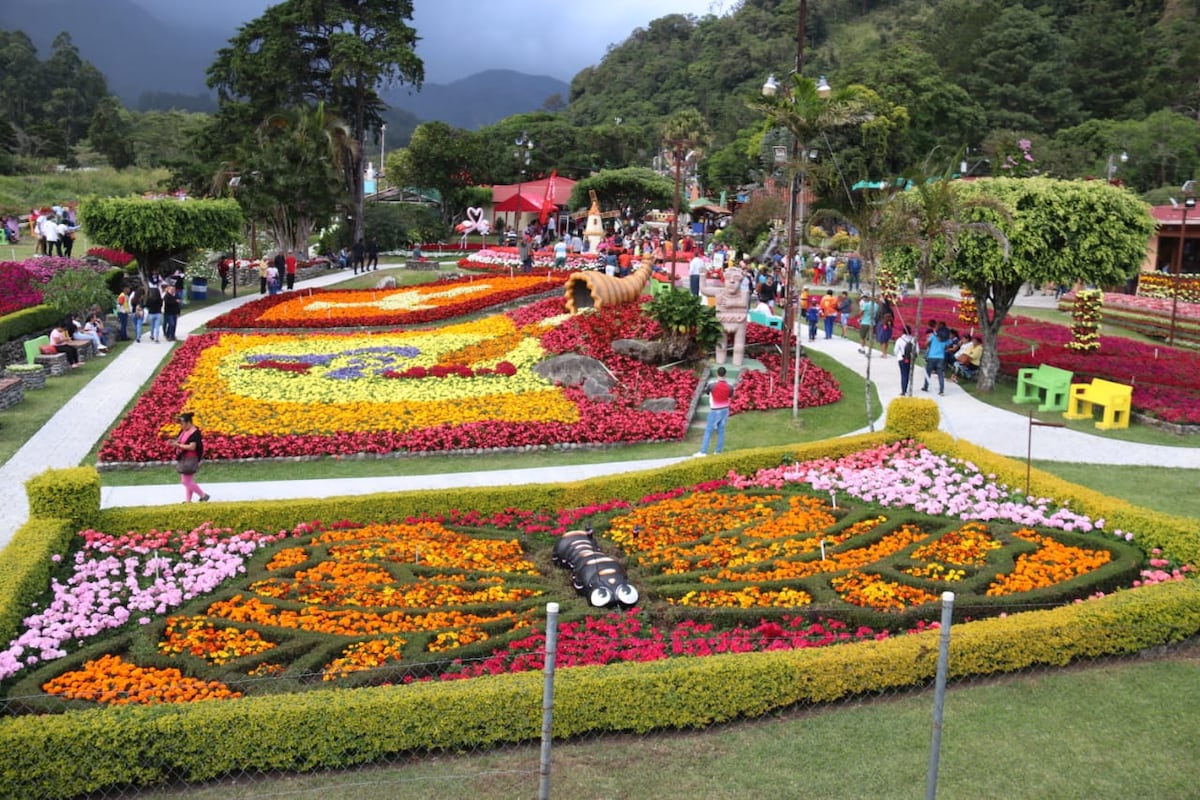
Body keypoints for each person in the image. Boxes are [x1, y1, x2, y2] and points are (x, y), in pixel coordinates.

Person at [695, 367, 733, 457]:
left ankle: (703, 452)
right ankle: (718, 451)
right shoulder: (730, 386)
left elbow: (707, 392)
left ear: (717, 374)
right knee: (721, 431)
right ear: (725, 374)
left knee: (708, 431)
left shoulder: (712, 385)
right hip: (725, 410)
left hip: (715, 410)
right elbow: (730, 396)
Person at [174, 412, 210, 503]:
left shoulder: (195, 433)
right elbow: (180, 441)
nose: (181, 426)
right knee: (189, 481)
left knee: (185, 481)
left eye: (182, 424)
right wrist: (175, 443)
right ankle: (188, 501)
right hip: (184, 458)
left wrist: (178, 446)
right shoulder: (184, 431)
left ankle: (203, 495)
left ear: (188, 422)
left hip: (190, 460)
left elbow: (192, 447)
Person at [922, 322, 951, 395]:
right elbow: (947, 347)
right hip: (941, 357)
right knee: (940, 374)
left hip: (932, 356)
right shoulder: (946, 339)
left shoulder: (933, 336)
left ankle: (926, 386)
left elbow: (926, 344)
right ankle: (941, 390)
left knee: (928, 372)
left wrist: (930, 346)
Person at [895, 325, 918, 395]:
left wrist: (898, 355)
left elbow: (895, 351)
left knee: (903, 374)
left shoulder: (899, 340)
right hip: (910, 359)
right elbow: (917, 350)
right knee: (908, 374)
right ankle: (907, 387)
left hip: (902, 358)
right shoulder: (913, 339)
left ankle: (903, 390)